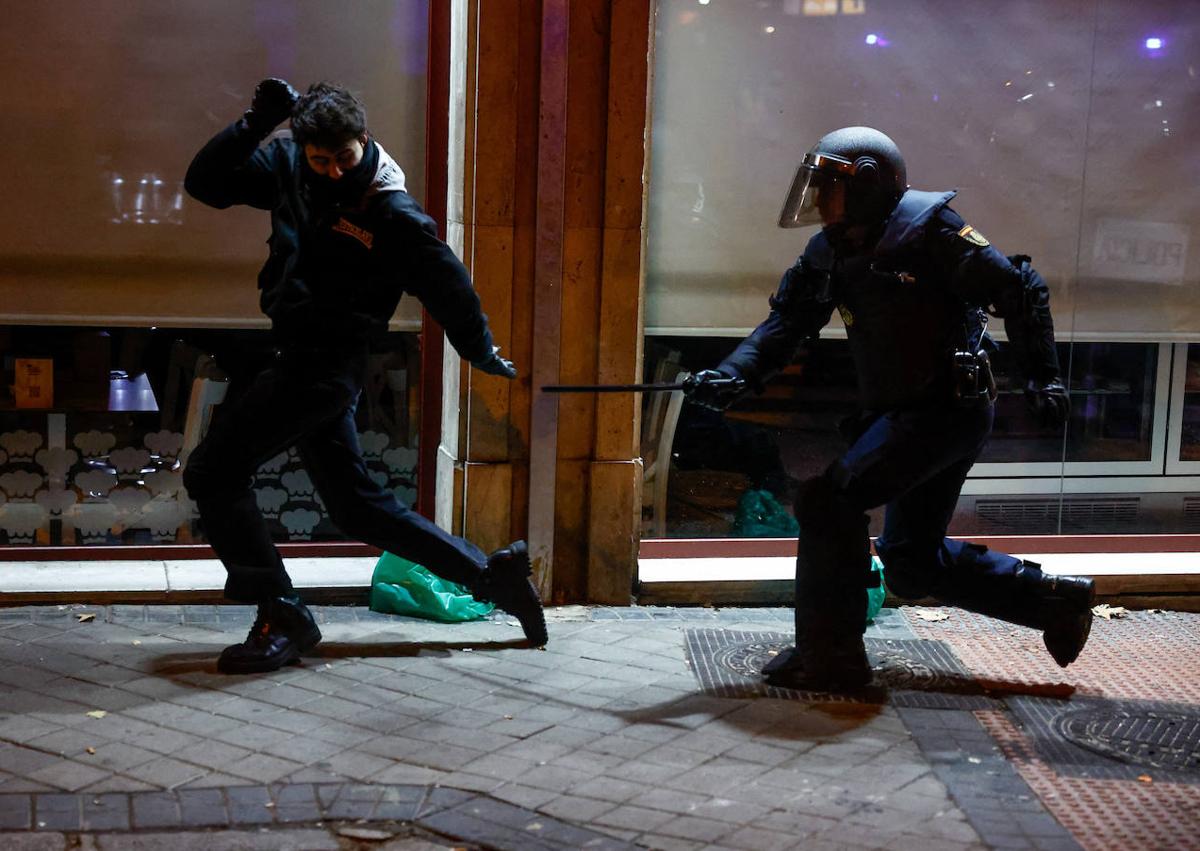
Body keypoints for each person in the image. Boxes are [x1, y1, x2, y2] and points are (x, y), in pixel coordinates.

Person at [689, 126, 1094, 692]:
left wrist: (1045, 378)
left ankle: (830, 658)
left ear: (869, 185)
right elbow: (788, 323)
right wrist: (733, 374)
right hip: (903, 414)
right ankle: (1053, 598)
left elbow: (1020, 291)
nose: (819, 201)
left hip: (946, 412)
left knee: (829, 502)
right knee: (911, 561)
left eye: (829, 187)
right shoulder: (834, 246)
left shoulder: (935, 234)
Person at [183, 79, 546, 674]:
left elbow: (448, 286)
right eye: (319, 160)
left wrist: (479, 350)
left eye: (343, 158)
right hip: (297, 352)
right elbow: (207, 185)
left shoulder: (390, 211)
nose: (331, 172)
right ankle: (491, 578)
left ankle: (283, 614)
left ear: (364, 140)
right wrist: (253, 123)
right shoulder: (287, 164)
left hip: (327, 366)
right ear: (302, 149)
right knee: (357, 506)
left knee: (214, 471)